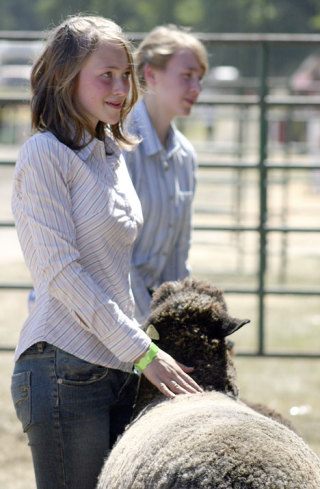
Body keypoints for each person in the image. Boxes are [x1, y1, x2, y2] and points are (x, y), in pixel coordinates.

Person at [10, 15, 202, 489]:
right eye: (106, 75)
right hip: (63, 367)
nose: (120, 88)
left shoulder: (111, 153)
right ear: (65, 76)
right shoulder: (43, 155)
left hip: (117, 365)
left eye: (126, 75)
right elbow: (62, 274)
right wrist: (143, 353)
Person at [124, 25, 208, 322]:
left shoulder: (185, 156)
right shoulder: (119, 145)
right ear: (150, 75)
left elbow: (177, 256)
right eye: (186, 76)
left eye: (199, 78)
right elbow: (110, 255)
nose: (196, 88)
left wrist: (177, 319)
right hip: (107, 314)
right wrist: (148, 326)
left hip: (149, 316)